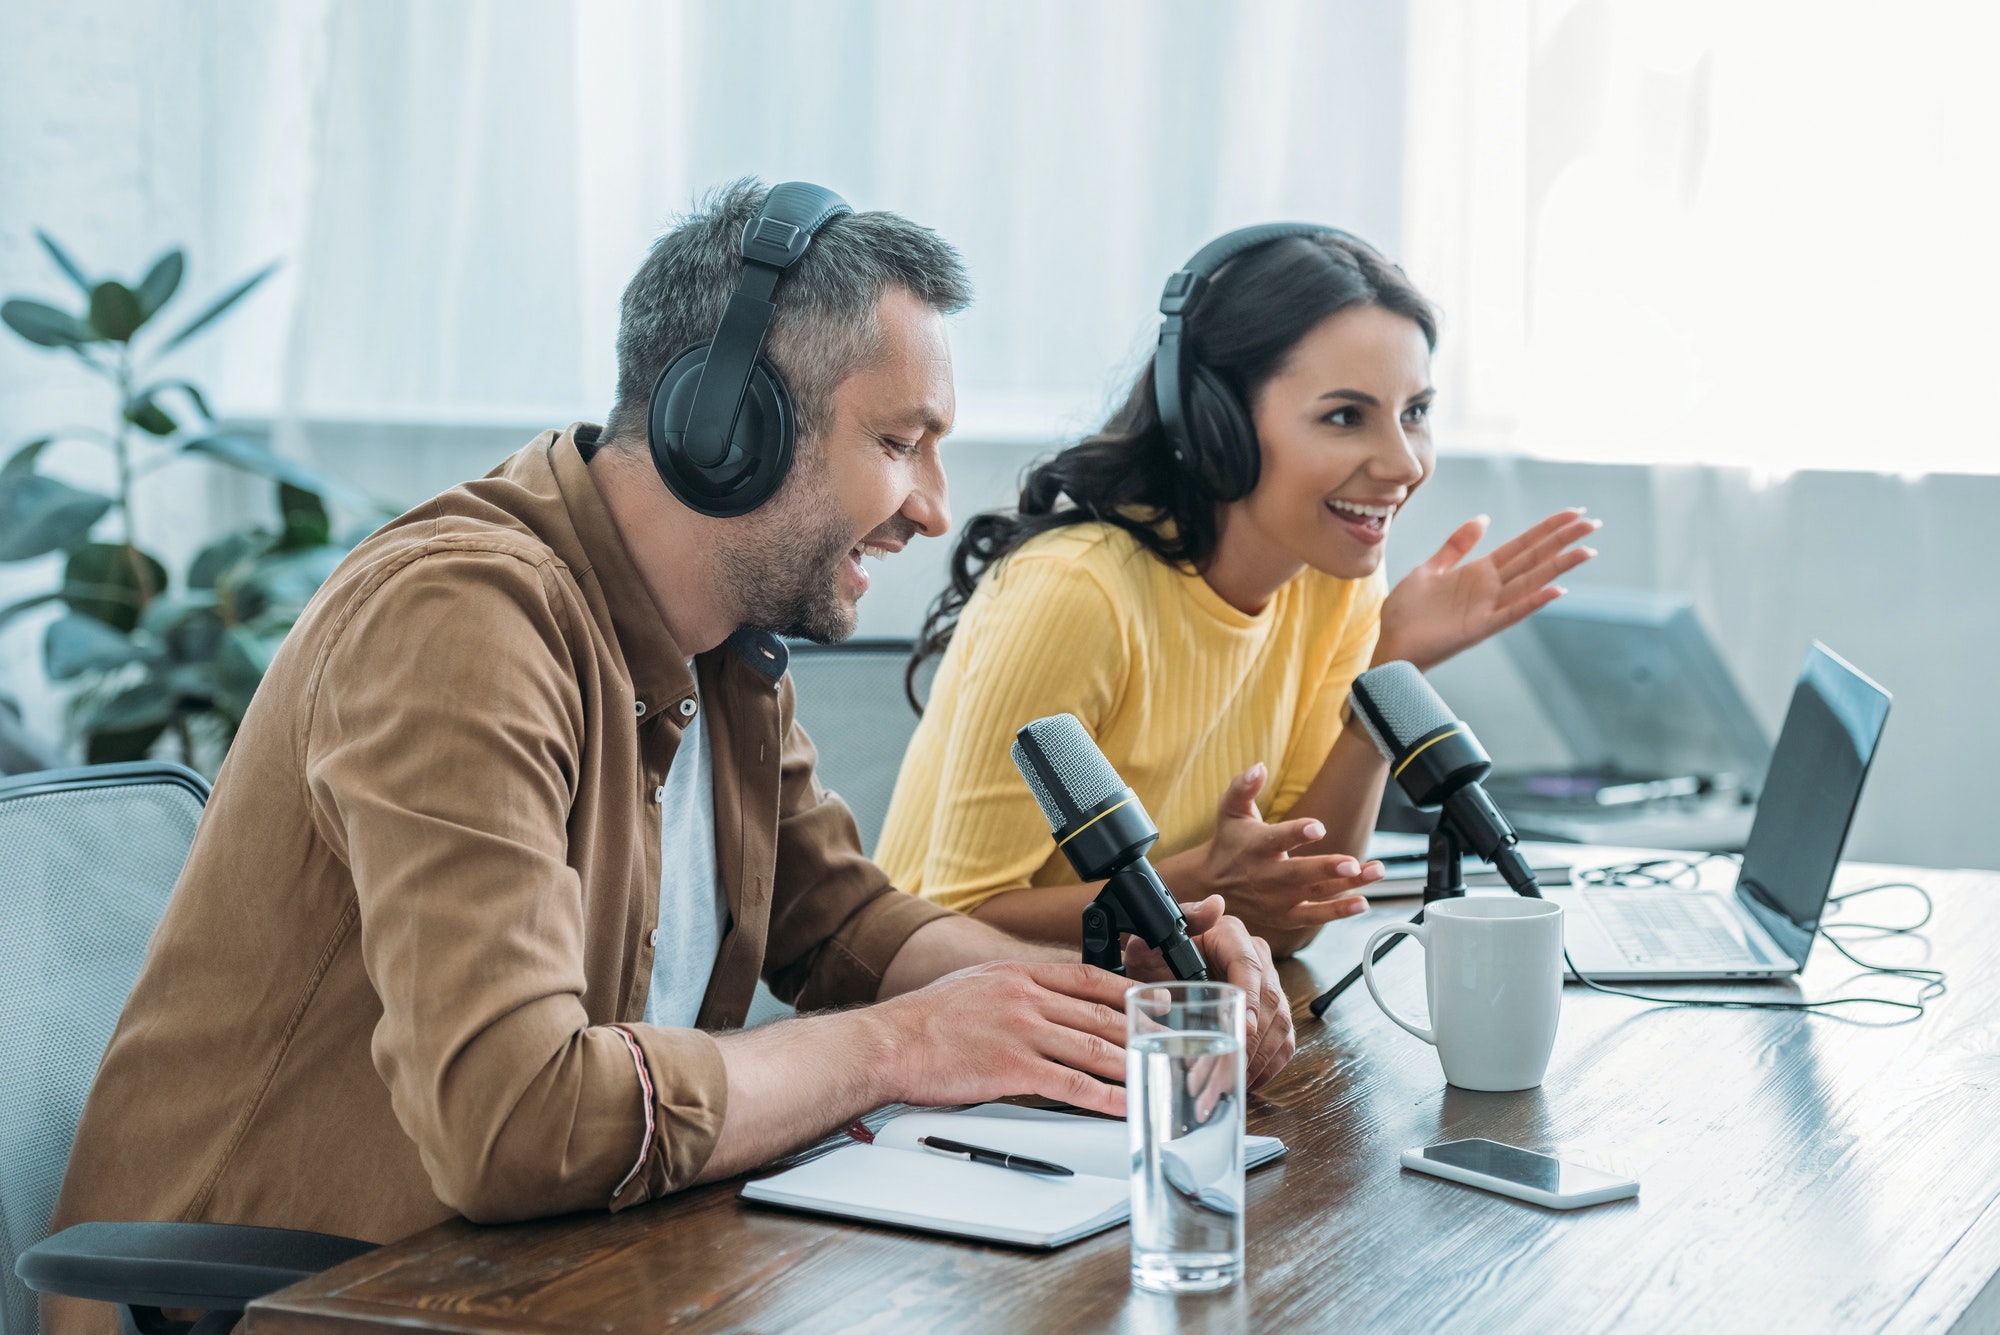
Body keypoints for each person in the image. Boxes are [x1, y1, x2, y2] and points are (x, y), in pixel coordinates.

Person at [47, 182, 1294, 1330]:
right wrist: (908, 1044)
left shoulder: (722, 646)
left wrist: (1110, 1019)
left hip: (546, 1276)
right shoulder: (457, 622)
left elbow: (846, 928)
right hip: (299, 1298)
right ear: (726, 427)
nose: (928, 504)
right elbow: (515, 1120)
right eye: (899, 442)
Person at [876, 225, 1598, 959]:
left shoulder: (1334, 584)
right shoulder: (1078, 592)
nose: (1404, 463)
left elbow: (1298, 911)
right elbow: (947, 920)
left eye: (1415, 413)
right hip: (943, 1029)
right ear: (1217, 422)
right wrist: (1199, 880)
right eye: (1345, 416)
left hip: (1153, 1013)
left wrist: (1389, 677)